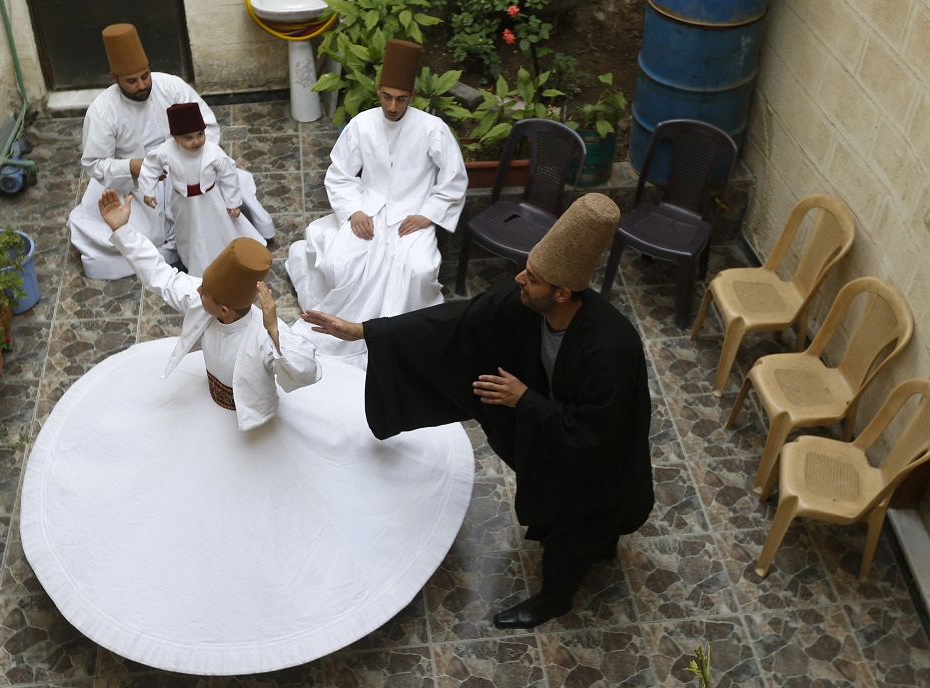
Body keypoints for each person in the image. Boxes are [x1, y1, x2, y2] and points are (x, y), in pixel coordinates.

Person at [302, 193, 654, 628]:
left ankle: (555, 599)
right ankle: (598, 545)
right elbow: (456, 322)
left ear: (563, 293)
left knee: (574, 527)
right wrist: (366, 332)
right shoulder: (525, 304)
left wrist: (524, 399)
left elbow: (593, 434)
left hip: (596, 467)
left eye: (535, 278)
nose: (520, 277)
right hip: (556, 442)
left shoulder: (609, 351)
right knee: (581, 527)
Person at [285, 39, 468, 369]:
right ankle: (344, 327)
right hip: (367, 210)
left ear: (411, 97)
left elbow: (454, 179)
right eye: (387, 96)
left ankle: (400, 335)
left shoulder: (432, 129)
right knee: (340, 262)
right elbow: (339, 174)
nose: (393, 106)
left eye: (401, 99)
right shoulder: (362, 124)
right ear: (379, 90)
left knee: (418, 269)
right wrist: (354, 210)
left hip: (411, 216)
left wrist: (428, 215)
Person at [97, 189, 319, 430]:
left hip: (252, 420)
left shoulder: (264, 336)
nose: (198, 291)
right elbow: (162, 277)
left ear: (223, 310)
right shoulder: (204, 301)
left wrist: (275, 331)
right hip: (210, 405)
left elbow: (307, 371)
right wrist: (123, 231)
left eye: (204, 292)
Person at [68, 23, 275, 280]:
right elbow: (95, 164)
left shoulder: (171, 86)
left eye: (145, 76)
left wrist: (186, 156)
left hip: (189, 168)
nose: (142, 85)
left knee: (218, 208)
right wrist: (135, 166)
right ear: (115, 78)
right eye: (131, 81)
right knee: (136, 236)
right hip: (134, 183)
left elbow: (207, 126)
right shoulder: (102, 110)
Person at [138, 102, 263, 276]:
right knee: (187, 231)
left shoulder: (213, 152)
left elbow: (228, 176)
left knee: (217, 227)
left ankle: (225, 256)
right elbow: (151, 165)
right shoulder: (167, 150)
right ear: (175, 138)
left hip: (210, 200)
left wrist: (232, 202)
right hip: (183, 202)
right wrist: (148, 190)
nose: (197, 141)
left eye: (200, 134)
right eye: (188, 138)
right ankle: (193, 260)